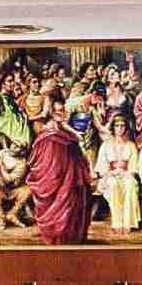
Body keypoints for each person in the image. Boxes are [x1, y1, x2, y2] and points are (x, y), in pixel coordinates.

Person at [27, 98, 93, 245]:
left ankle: (70, 238)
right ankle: (59, 237)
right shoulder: (50, 135)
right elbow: (52, 163)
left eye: (63, 111)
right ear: (51, 113)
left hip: (69, 176)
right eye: (57, 111)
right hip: (59, 179)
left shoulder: (61, 129)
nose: (61, 114)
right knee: (62, 207)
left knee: (73, 204)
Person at [95, 114, 142, 234]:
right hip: (110, 175)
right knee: (113, 185)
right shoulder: (106, 145)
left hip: (126, 174)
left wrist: (125, 172)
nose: (120, 128)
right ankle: (117, 223)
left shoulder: (131, 145)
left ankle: (128, 223)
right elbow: (102, 167)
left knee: (130, 185)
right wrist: (111, 173)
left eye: (122, 126)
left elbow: (134, 167)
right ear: (113, 128)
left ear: (126, 128)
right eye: (117, 126)